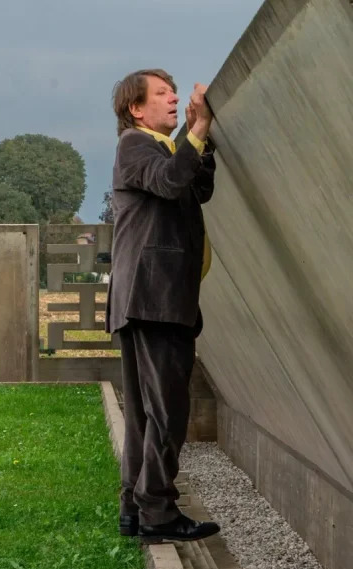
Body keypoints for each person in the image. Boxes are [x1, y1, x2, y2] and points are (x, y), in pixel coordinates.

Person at [107, 69, 221, 543]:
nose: (174, 98)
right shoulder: (137, 145)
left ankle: (135, 506)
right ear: (136, 108)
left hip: (150, 299)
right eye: (161, 93)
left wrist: (203, 143)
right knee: (169, 410)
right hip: (154, 299)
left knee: (144, 413)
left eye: (173, 92)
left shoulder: (164, 149)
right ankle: (158, 512)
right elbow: (174, 183)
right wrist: (198, 130)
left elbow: (198, 188)